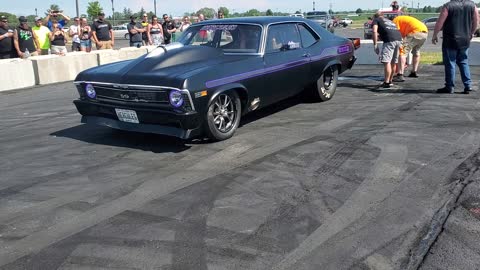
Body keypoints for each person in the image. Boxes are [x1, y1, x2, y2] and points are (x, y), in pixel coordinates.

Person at [432, 0, 479, 94]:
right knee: (464, 61)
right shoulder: (472, 5)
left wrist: (435, 34)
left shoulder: (448, 6)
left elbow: (440, 22)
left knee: (450, 63)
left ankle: (449, 86)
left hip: (450, 39)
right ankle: (468, 85)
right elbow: (476, 21)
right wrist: (471, 33)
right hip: (465, 39)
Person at [392, 15, 428, 82]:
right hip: (424, 32)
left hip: (414, 32)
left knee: (402, 52)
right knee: (416, 52)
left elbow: (396, 33)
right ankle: (414, 72)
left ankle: (400, 74)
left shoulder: (395, 20)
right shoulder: (404, 19)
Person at [372, 11, 403, 88]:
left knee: (387, 61)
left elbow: (374, 31)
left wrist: (375, 44)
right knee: (393, 61)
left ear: (375, 17)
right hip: (399, 39)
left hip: (389, 41)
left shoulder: (376, 20)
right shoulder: (389, 21)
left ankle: (386, 82)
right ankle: (390, 81)